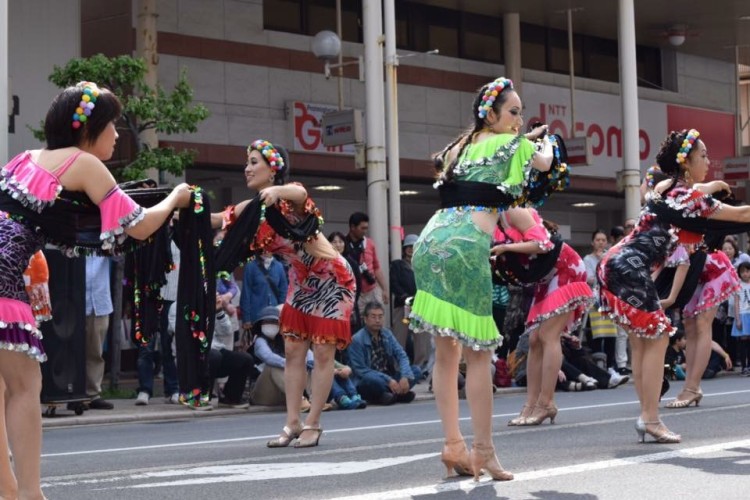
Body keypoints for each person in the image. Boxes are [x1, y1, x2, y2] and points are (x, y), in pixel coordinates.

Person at [0, 81, 191, 500]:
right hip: (4, 275)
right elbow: (137, 225)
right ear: (88, 129)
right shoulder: (83, 162)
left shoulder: (23, 159)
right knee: (24, 387)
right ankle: (29, 494)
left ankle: (9, 490)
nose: (117, 135)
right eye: (112, 125)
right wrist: (174, 198)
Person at [409, 76, 552, 481]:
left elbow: (478, 170)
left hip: (430, 242)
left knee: (446, 352)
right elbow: (545, 163)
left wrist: (522, 139)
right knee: (478, 355)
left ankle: (453, 445)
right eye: (513, 112)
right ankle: (484, 452)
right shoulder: (513, 144)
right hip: (466, 245)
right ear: (491, 114)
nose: (519, 121)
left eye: (521, 114)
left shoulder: (457, 147)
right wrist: (544, 141)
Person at [598, 129, 750, 444]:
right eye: (703, 156)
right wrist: (711, 188)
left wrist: (712, 185)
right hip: (630, 267)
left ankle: (647, 417)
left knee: (644, 343)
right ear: (685, 163)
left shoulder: (666, 187)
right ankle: (650, 419)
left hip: (614, 263)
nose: (708, 161)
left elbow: (693, 190)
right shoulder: (691, 199)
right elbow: (743, 214)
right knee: (655, 339)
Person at [217, 139, 355, 449]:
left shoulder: (289, 196)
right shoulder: (252, 208)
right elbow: (220, 218)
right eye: (247, 162)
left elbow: (299, 193)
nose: (247, 168)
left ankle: (313, 424)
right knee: (292, 351)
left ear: (273, 169)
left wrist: (277, 191)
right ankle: (293, 422)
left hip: (332, 279)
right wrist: (182, 207)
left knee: (323, 353)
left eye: (254, 162)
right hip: (300, 282)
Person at [493, 208, 593, 426]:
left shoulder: (513, 211)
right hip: (544, 276)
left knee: (548, 335)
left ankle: (546, 403)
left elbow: (543, 244)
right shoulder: (491, 218)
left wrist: (506, 247)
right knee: (534, 340)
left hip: (564, 267)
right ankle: (530, 405)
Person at [348, 301, 421, 405]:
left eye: (380, 316)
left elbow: (401, 355)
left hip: (389, 376)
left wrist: (405, 376)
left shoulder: (387, 334)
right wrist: (388, 380)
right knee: (371, 380)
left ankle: (390, 395)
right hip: (371, 379)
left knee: (416, 371)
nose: (377, 320)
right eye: (373, 317)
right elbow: (361, 370)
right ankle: (396, 395)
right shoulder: (357, 339)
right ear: (365, 319)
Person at [135, 240, 180, 406]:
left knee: (169, 346)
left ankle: (173, 389)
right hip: (150, 297)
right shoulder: (150, 236)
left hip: (174, 296)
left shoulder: (181, 236)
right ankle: (145, 389)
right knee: (146, 345)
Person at [391, 233, 430, 369]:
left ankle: (419, 368)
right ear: (404, 249)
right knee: (399, 337)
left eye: (414, 246)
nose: (411, 249)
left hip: (420, 306)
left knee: (421, 340)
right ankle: (399, 368)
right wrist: (405, 297)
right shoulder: (397, 265)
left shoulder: (425, 266)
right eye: (408, 247)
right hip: (403, 306)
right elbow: (394, 283)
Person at [83, 256, 115, 410]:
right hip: (74, 300)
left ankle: (93, 394)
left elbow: (119, 256)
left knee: (95, 352)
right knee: (72, 351)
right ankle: (72, 392)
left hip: (99, 301)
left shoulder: (104, 243)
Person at [344, 212, 389, 315]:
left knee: (376, 319)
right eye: (362, 228)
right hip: (352, 292)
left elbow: (376, 267)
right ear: (352, 227)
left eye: (366, 228)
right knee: (355, 321)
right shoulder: (342, 243)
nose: (365, 231)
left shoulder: (369, 243)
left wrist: (384, 289)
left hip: (371, 289)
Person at [239, 251, 288, 330]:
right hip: (256, 316)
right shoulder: (251, 267)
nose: (265, 251)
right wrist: (246, 318)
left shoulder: (279, 266)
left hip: (275, 316)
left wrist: (283, 314)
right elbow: (246, 294)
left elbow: (283, 292)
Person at [329, 231, 362, 331]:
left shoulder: (352, 263)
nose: (338, 245)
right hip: (330, 306)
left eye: (340, 242)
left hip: (349, 306)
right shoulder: (324, 263)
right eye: (334, 242)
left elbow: (358, 286)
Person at [731, 262, 750, 375]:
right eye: (742, 272)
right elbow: (736, 303)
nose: (745, 274)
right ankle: (744, 366)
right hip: (743, 314)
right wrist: (737, 319)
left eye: (747, 271)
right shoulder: (738, 285)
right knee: (743, 341)